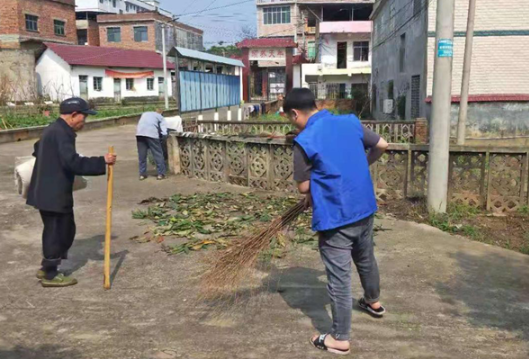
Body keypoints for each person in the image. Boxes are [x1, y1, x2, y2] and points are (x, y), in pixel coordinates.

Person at [284, 88, 389, 355]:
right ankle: (373, 302)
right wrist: (360, 166)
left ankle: (340, 338)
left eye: (289, 118)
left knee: (339, 279)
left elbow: (304, 187)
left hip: (335, 218)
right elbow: (381, 145)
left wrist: (317, 188)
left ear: (295, 114)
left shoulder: (304, 140)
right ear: (316, 105)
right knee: (366, 257)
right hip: (364, 207)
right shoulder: (349, 122)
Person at [26, 97, 117, 288]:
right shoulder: (62, 133)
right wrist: (102, 161)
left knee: (60, 229)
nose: (85, 121)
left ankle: (47, 266)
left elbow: (37, 148)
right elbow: (72, 162)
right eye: (84, 117)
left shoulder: (53, 129)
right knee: (59, 232)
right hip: (53, 191)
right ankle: (50, 274)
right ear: (74, 115)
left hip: (47, 189)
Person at [136, 109, 168, 181]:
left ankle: (142, 174)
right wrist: (163, 138)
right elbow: (164, 131)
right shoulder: (160, 117)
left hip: (139, 134)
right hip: (151, 134)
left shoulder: (145, 113)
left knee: (142, 155)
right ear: (162, 113)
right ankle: (161, 174)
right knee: (158, 154)